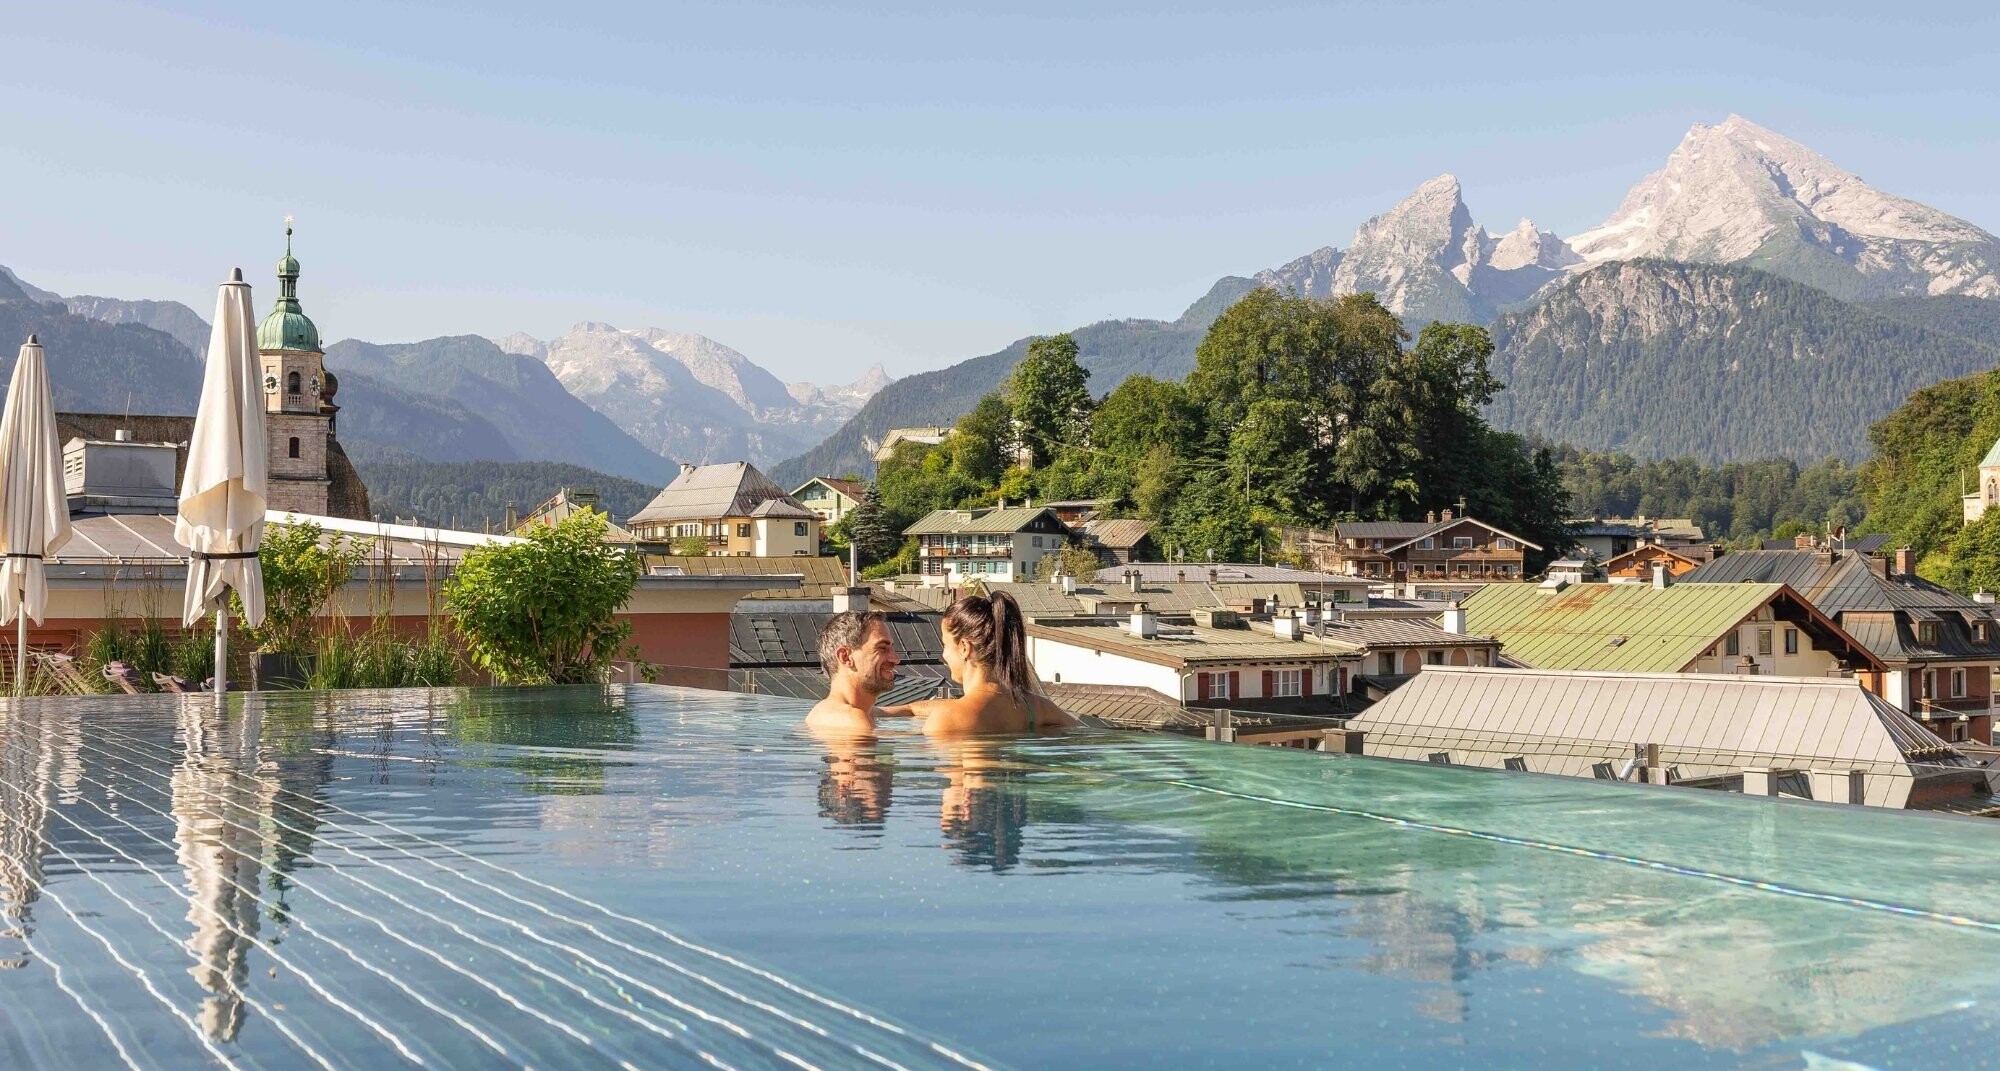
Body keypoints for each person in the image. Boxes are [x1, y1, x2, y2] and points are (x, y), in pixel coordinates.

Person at [882, 590, 1077, 735]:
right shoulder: (1036, 707)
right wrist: (902, 710)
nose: (944, 655)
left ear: (965, 648)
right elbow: (1079, 730)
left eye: (945, 645)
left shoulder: (948, 720)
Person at [805, 610, 901, 732]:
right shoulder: (853, 720)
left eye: (892, 648)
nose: (896, 659)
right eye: (882, 648)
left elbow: (911, 709)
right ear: (845, 657)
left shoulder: (832, 712)